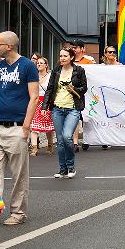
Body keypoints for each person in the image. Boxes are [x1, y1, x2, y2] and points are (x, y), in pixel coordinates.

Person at [0, 31, 39, 227]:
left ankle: (18, 212)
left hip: (18, 127)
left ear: (9, 46)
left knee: (19, 174)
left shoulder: (27, 66)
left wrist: (26, 126)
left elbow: (34, 96)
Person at [42, 48, 88, 179]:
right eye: (61, 56)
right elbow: (50, 88)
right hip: (57, 108)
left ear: (72, 57)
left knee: (67, 136)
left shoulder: (79, 70)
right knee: (60, 140)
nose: (62, 58)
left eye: (65, 56)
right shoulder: (56, 70)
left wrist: (74, 88)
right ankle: (63, 169)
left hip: (73, 108)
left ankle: (71, 166)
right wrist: (45, 106)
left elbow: (84, 88)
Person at [69, 39, 94, 152]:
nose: (73, 49)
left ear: (82, 49)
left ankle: (87, 139)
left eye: (75, 47)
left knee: (86, 117)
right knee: (75, 117)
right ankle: (75, 143)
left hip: (87, 93)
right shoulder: (69, 61)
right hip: (72, 93)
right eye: (72, 47)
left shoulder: (89, 62)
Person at [30, 57, 54, 156]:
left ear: (46, 65)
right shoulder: (33, 76)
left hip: (46, 102)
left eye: (41, 63)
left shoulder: (50, 76)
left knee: (48, 127)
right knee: (34, 127)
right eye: (37, 63)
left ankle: (50, 145)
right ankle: (34, 148)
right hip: (36, 102)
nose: (39, 64)